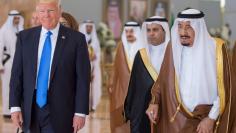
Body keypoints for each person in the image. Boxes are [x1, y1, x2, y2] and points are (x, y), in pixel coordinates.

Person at [9, 0, 91, 133]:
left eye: (50, 10)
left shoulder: (77, 40)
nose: (46, 15)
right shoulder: (25, 37)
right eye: (42, 11)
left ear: (59, 11)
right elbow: (17, 75)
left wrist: (80, 113)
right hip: (30, 109)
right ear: (37, 13)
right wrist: (15, 107)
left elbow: (83, 79)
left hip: (62, 111)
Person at [146, 8, 232, 133]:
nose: (183, 32)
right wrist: (154, 102)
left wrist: (211, 118)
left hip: (205, 119)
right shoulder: (173, 47)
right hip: (177, 118)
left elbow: (226, 88)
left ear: (198, 27)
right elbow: (162, 80)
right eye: (180, 26)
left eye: (188, 27)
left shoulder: (216, 48)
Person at [124, 16, 170, 133]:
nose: (151, 34)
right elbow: (134, 84)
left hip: (168, 106)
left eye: (155, 30)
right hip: (142, 108)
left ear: (164, 31)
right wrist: (130, 109)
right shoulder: (141, 55)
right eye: (148, 30)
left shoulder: (173, 54)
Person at [109, 21, 144, 133]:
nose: (129, 34)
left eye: (131, 31)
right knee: (120, 117)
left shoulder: (144, 47)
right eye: (127, 31)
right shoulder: (120, 46)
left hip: (139, 90)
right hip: (121, 89)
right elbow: (115, 67)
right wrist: (111, 83)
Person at [0, 10, 24, 116]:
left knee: (17, 87)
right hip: (8, 63)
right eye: (15, 18)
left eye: (18, 18)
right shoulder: (3, 31)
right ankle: (6, 111)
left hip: (20, 63)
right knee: (7, 87)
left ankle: (16, 111)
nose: (17, 20)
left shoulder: (20, 30)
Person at [80, 20, 102, 111]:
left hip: (94, 66)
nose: (89, 28)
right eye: (87, 26)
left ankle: (93, 106)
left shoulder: (95, 40)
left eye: (90, 27)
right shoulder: (80, 39)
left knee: (94, 85)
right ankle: (83, 105)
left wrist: (95, 57)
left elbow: (98, 53)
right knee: (83, 86)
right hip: (82, 66)